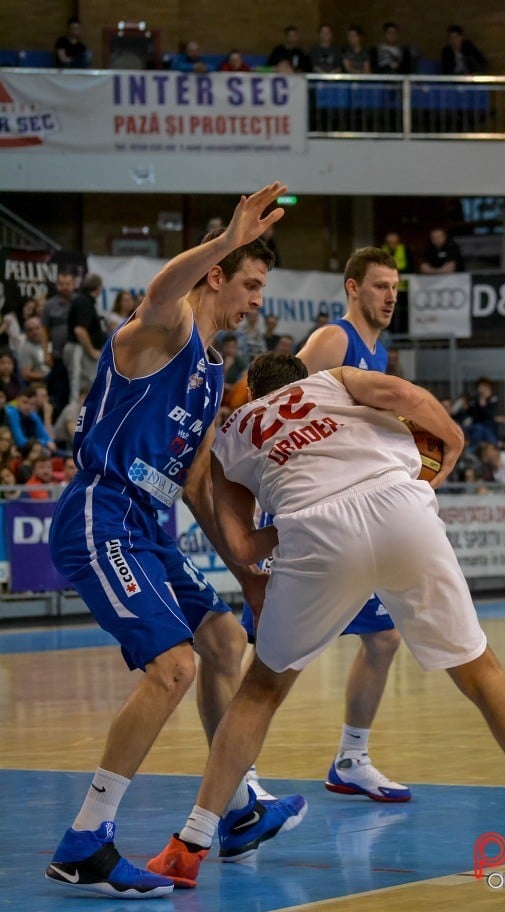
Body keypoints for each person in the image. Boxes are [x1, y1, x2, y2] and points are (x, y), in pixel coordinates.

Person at [148, 350, 505, 888]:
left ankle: (191, 843)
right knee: (483, 675)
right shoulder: (335, 379)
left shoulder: (232, 436)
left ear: (251, 394)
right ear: (304, 380)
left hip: (316, 536)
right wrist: (454, 443)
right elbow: (405, 397)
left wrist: (299, 522)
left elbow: (241, 544)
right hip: (399, 507)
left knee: (260, 691)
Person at [44, 183, 307, 899]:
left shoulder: (214, 373)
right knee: (173, 669)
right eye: (250, 283)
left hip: (150, 529)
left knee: (225, 644)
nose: (257, 301)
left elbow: (195, 487)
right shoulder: (166, 327)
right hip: (102, 513)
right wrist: (226, 237)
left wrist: (249, 571)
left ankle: (239, 807)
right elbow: (164, 286)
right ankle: (86, 840)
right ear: (218, 274)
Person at [245, 248, 410, 804]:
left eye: (395, 287)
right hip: (304, 513)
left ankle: (352, 759)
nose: (390, 296)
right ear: (352, 288)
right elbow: (282, 414)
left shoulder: (377, 352)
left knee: (383, 637)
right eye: (381, 286)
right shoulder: (332, 341)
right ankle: (240, 775)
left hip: (346, 513)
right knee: (277, 652)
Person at [62, 273, 108, 404]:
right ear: (98, 287)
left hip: (82, 350)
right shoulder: (84, 302)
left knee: (88, 383)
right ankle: (75, 417)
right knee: (78, 386)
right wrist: (92, 351)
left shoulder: (85, 301)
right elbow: (80, 330)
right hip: (79, 349)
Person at [42, 268, 76, 417]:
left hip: (75, 356)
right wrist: (46, 352)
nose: (65, 287)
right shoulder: (49, 305)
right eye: (61, 284)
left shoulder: (78, 302)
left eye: (68, 284)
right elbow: (44, 329)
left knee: (74, 391)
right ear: (57, 285)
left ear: (74, 284)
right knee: (58, 393)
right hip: (57, 356)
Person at [4, 386, 56, 452]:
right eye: (25, 402)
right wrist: (44, 443)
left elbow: (48, 438)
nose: (28, 407)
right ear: (17, 399)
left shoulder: (32, 414)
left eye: (31, 404)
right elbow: (21, 442)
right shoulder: (11, 412)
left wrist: (46, 442)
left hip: (31, 448)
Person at [17, 316, 51, 384]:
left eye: (37, 328)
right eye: (30, 330)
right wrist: (48, 376)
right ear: (26, 333)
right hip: (40, 383)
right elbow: (25, 374)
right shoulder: (25, 349)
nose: (35, 332)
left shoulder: (50, 342)